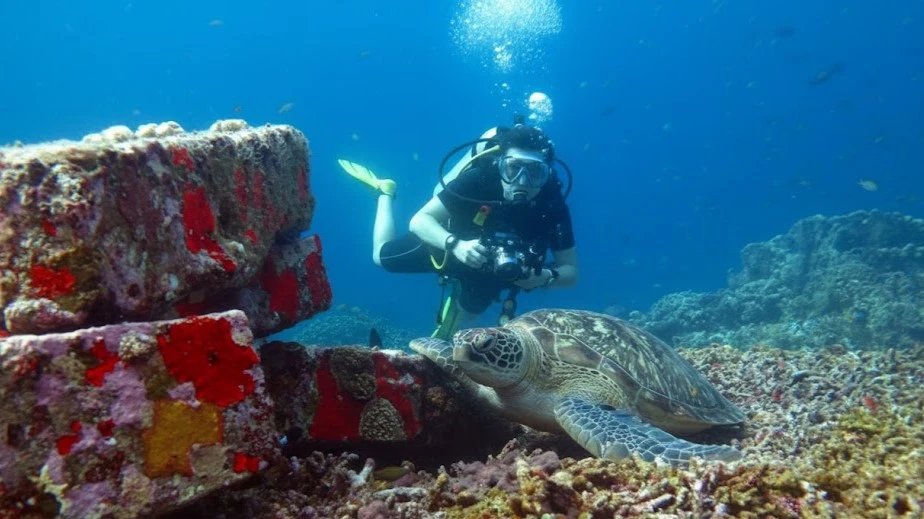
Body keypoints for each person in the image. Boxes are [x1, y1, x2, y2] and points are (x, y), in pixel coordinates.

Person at [339, 122, 578, 339]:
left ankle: (458, 302)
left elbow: (571, 271)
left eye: (535, 172)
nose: (522, 181)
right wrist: (456, 245)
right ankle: (385, 192)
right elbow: (419, 220)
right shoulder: (480, 179)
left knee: (472, 311)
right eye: (513, 167)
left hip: (496, 269)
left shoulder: (552, 202)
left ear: (547, 174)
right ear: (499, 164)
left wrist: (545, 277)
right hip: (451, 242)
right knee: (381, 257)